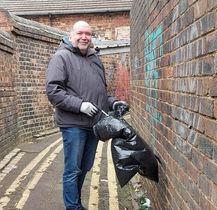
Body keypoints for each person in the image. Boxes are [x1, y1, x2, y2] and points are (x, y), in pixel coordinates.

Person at [45, 20, 128, 210]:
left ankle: (76, 203)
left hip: (94, 125)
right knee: (73, 169)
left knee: (85, 167)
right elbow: (53, 91)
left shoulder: (94, 59)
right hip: (73, 124)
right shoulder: (61, 57)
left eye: (88, 34)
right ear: (71, 35)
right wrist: (80, 105)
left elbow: (99, 94)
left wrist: (114, 102)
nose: (84, 37)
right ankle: (73, 207)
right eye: (80, 33)